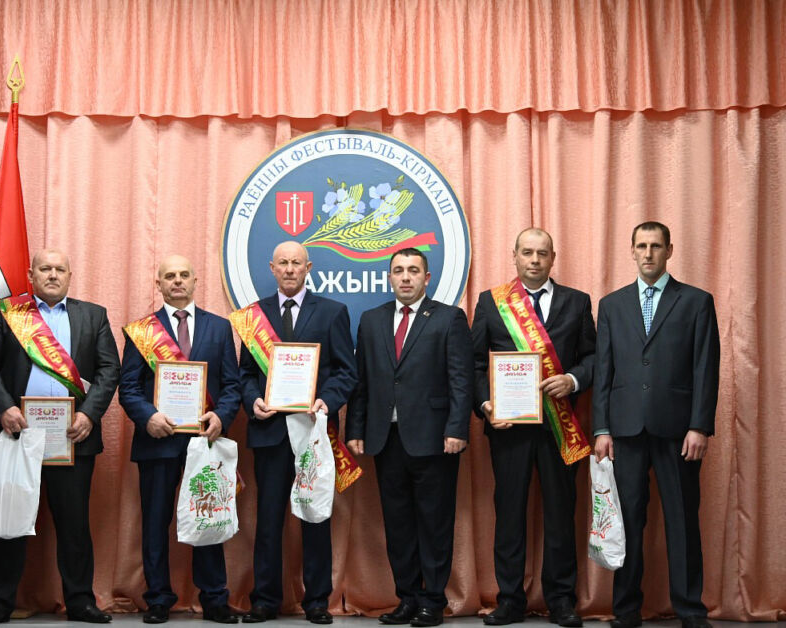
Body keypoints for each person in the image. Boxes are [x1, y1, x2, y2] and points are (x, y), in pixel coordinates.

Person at [0, 249, 120, 626]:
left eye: (59, 269)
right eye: (45, 269)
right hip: (17, 433)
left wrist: (89, 414)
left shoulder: (94, 315)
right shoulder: (8, 313)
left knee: (74, 524)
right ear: (31, 274)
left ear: (70, 275)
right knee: (9, 519)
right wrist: (4, 407)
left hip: (73, 436)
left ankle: (80, 602)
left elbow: (109, 370)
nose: (52, 275)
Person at [593, 222, 719, 628]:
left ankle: (690, 609)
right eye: (642, 246)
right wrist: (601, 429)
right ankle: (626, 609)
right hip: (625, 431)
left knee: (682, 520)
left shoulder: (696, 302)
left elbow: (705, 367)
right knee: (628, 521)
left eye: (656, 246)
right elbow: (604, 372)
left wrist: (699, 426)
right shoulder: (611, 305)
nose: (648, 253)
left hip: (679, 431)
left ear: (669, 250)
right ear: (632, 251)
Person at [470, 228, 595, 627]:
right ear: (515, 256)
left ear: (553, 258)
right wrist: (486, 405)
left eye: (542, 253)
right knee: (509, 515)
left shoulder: (578, 302)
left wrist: (572, 379)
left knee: (561, 513)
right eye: (527, 252)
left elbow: (594, 358)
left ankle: (561, 600)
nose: (535, 260)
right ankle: (510, 600)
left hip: (560, 426)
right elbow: (474, 365)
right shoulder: (490, 303)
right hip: (509, 427)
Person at [346, 247, 473, 627]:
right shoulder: (372, 320)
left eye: (413, 270)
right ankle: (407, 598)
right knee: (398, 524)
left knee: (434, 523)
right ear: (389, 277)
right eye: (398, 270)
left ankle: (433, 601)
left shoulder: (449, 318)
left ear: (426, 277)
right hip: (386, 439)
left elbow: (461, 379)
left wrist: (456, 428)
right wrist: (355, 429)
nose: (405, 277)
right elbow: (362, 381)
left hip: (435, 440)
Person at [236, 241, 357, 625]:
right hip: (270, 431)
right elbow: (244, 375)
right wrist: (253, 400)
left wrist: (326, 400)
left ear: (309, 267)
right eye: (283, 263)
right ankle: (265, 600)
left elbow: (346, 372)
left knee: (315, 516)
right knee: (268, 519)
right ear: (272, 268)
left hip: (313, 432)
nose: (290, 269)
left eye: (296, 263)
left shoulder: (333, 312)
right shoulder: (254, 317)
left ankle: (317, 601)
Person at [119, 255, 241, 625]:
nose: (177, 281)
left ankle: (214, 598)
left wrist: (221, 416)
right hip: (158, 441)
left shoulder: (220, 328)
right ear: (158, 284)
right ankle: (158, 598)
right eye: (169, 276)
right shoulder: (142, 331)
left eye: (183, 275)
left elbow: (232, 385)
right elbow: (128, 387)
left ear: (195, 281)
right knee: (155, 523)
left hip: (204, 442)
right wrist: (148, 417)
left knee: (208, 516)